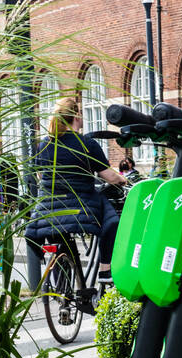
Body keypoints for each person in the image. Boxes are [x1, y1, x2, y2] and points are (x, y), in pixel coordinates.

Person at [29, 96, 126, 289]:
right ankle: (105, 269)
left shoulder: (44, 144)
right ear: (75, 116)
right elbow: (109, 177)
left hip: (48, 206)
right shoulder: (86, 144)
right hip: (81, 202)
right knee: (112, 222)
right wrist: (124, 179)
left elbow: (40, 175)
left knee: (58, 237)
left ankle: (62, 290)